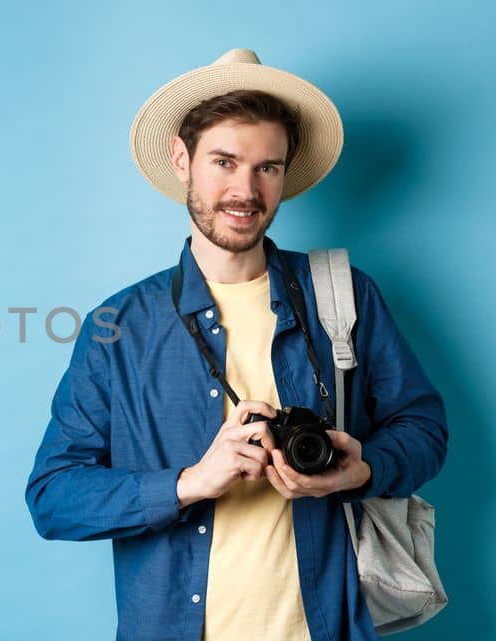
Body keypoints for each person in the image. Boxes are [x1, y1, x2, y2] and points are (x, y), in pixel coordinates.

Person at [23, 49, 447, 641]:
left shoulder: (343, 294)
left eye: (266, 167)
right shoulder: (117, 325)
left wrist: (360, 469)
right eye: (224, 161)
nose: (245, 190)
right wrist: (191, 481)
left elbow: (424, 430)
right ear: (182, 160)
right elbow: (53, 498)